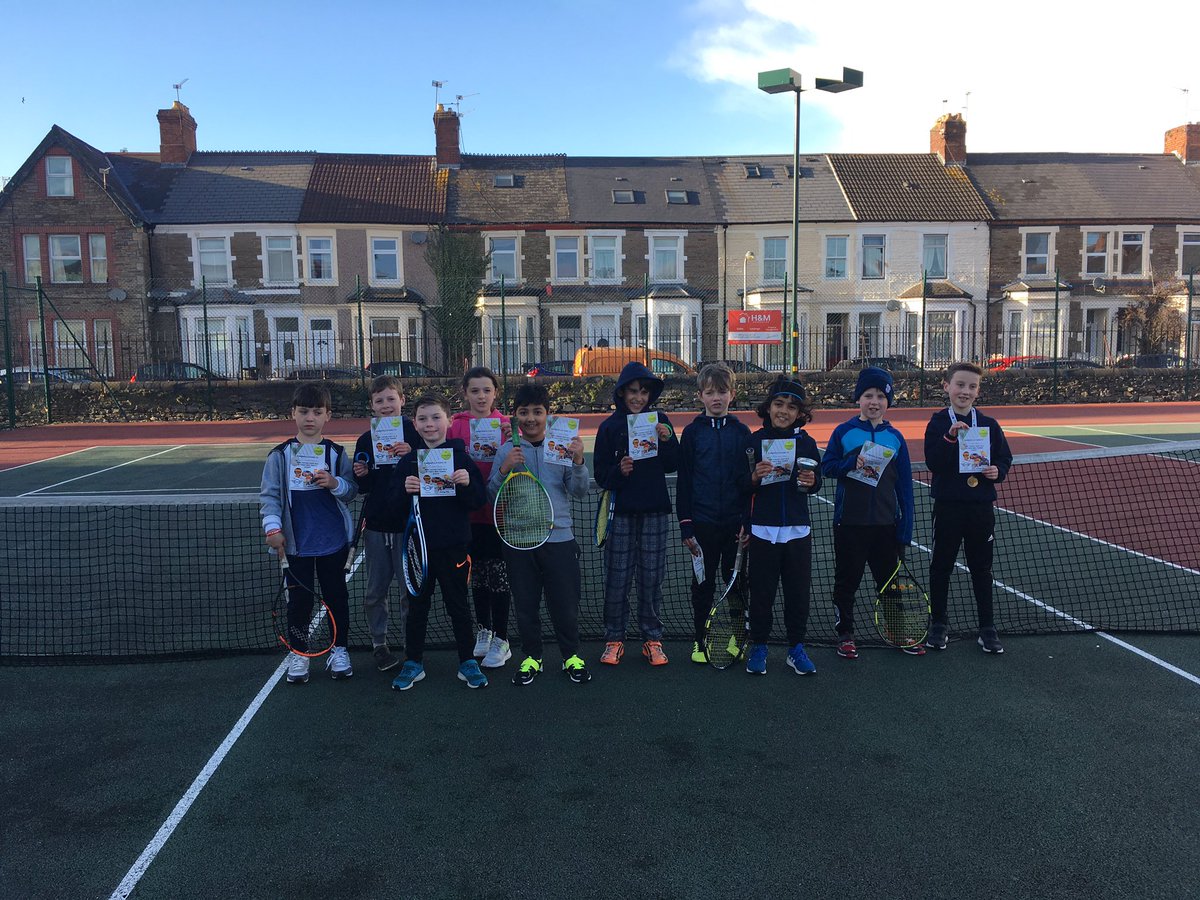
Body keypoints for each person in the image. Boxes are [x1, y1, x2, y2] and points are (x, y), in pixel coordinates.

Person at [488, 383, 592, 685]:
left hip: (559, 540)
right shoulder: (507, 451)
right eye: (524, 412)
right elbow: (491, 495)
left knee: (565, 604)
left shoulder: (561, 447)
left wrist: (579, 462)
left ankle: (571, 656)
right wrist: (504, 469)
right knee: (525, 604)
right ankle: (532, 657)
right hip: (518, 541)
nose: (531, 418)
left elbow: (580, 491)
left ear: (548, 414)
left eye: (537, 412)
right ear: (515, 415)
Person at [385, 394, 490, 691]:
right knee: (417, 607)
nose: (429, 424)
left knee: (458, 605)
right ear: (415, 424)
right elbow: (393, 508)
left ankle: (467, 661)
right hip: (418, 548)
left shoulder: (461, 459)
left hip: (454, 547)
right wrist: (405, 491)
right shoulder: (407, 462)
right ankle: (413, 661)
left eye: (435, 417)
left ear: (448, 421)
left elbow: (478, 501)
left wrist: (467, 484)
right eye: (422, 419)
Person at [260, 382, 358, 684]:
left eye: (317, 412)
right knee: (299, 604)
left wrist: (334, 483)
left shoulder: (337, 453)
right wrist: (273, 529)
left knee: (336, 599)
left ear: (328, 415)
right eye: (304, 411)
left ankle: (339, 650)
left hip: (332, 543)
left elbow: (351, 490)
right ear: (293, 413)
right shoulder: (279, 456)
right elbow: (270, 497)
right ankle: (299, 653)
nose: (310, 418)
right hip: (296, 546)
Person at [821, 366, 916, 660]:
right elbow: (827, 468)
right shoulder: (844, 432)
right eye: (867, 395)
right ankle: (846, 634)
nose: (874, 401)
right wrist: (850, 463)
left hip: (886, 525)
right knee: (846, 581)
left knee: (889, 582)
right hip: (850, 523)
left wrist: (905, 528)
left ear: (888, 401)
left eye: (880, 396)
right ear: (858, 398)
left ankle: (897, 631)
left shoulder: (896, 438)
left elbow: (905, 488)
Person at [923, 362, 1013, 654]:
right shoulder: (938, 423)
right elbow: (933, 462)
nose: (965, 391)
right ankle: (938, 624)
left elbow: (1004, 458)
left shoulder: (989, 424)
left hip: (980, 508)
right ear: (946, 386)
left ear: (978, 391)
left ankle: (987, 627)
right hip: (948, 507)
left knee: (981, 569)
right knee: (941, 567)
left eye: (972, 386)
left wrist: (996, 472)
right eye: (960, 385)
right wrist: (950, 437)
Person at [593, 361, 679, 666]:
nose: (638, 397)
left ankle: (652, 638)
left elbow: (673, 464)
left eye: (643, 392)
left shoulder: (662, 421)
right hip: (621, 513)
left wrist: (667, 439)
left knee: (651, 577)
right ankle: (614, 638)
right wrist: (620, 471)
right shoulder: (609, 427)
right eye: (632, 391)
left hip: (655, 510)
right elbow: (601, 475)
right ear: (621, 392)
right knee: (617, 577)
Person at [741, 377, 822, 676]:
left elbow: (816, 482)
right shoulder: (753, 442)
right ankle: (759, 646)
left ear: (800, 413)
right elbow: (740, 485)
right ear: (768, 407)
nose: (784, 411)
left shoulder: (808, 443)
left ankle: (796, 648)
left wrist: (812, 483)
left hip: (798, 531)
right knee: (762, 593)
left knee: (798, 593)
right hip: (763, 530)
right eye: (778, 404)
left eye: (791, 407)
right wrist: (753, 478)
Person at [676, 363, 751, 664]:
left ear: (732, 394)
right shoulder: (692, 433)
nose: (716, 398)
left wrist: (747, 521)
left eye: (722, 392)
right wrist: (686, 527)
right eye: (710, 393)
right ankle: (699, 640)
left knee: (735, 584)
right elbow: (684, 481)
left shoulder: (742, 432)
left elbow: (748, 483)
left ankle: (738, 636)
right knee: (702, 586)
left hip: (734, 526)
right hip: (702, 525)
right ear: (700, 396)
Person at [351, 375, 422, 672]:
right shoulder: (366, 438)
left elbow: (430, 470)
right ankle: (379, 643)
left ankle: (411, 645)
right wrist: (361, 472)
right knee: (374, 592)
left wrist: (412, 454)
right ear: (372, 405)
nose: (385, 405)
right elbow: (362, 487)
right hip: (377, 526)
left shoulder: (415, 432)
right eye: (379, 400)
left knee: (410, 592)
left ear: (402, 401)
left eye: (391, 399)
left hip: (408, 525)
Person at [447, 366, 513, 669]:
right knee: (477, 579)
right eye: (475, 390)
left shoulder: (508, 426)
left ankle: (502, 638)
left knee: (499, 578)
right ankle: (484, 631)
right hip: (467, 516)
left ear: (495, 393)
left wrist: (515, 439)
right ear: (465, 394)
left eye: (487, 390)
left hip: (500, 514)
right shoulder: (454, 427)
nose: (481, 396)